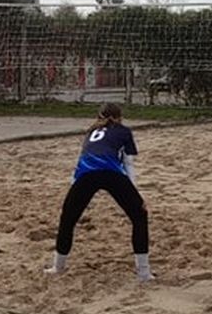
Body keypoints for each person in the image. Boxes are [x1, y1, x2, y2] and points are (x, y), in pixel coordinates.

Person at [47, 102, 152, 283]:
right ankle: (144, 272)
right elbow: (128, 164)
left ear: (99, 117)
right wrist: (136, 194)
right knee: (139, 216)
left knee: (68, 218)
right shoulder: (124, 131)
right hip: (111, 172)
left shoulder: (91, 131)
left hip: (86, 173)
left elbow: (80, 160)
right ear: (119, 117)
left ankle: (58, 266)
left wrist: (73, 187)